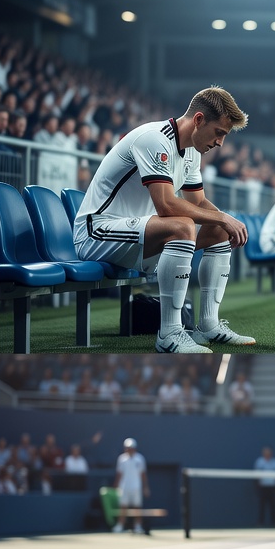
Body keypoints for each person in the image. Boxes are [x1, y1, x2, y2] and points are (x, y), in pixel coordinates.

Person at [73, 86, 252, 353]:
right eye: (219, 133)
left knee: (218, 231)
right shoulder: (154, 139)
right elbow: (167, 205)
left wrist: (225, 221)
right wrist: (222, 217)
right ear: (199, 120)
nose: (220, 143)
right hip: (96, 233)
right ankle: (169, 334)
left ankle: (208, 326)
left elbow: (198, 202)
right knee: (183, 225)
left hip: (139, 234)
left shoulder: (192, 150)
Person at [114, 438, 149, 534]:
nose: (129, 449)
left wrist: (145, 487)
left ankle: (138, 526)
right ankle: (120, 525)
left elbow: (143, 474)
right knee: (123, 506)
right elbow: (119, 474)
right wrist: (116, 485)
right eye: (127, 447)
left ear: (134, 448)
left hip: (136, 487)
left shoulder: (140, 459)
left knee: (137, 507)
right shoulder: (121, 459)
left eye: (131, 447)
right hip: (124, 486)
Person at [254, 445, 275, 526]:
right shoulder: (259, 461)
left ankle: (274, 522)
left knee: (273, 505)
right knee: (262, 505)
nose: (267, 454)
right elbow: (256, 473)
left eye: (269, 453)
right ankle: (260, 522)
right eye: (265, 453)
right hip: (263, 486)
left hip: (272, 487)